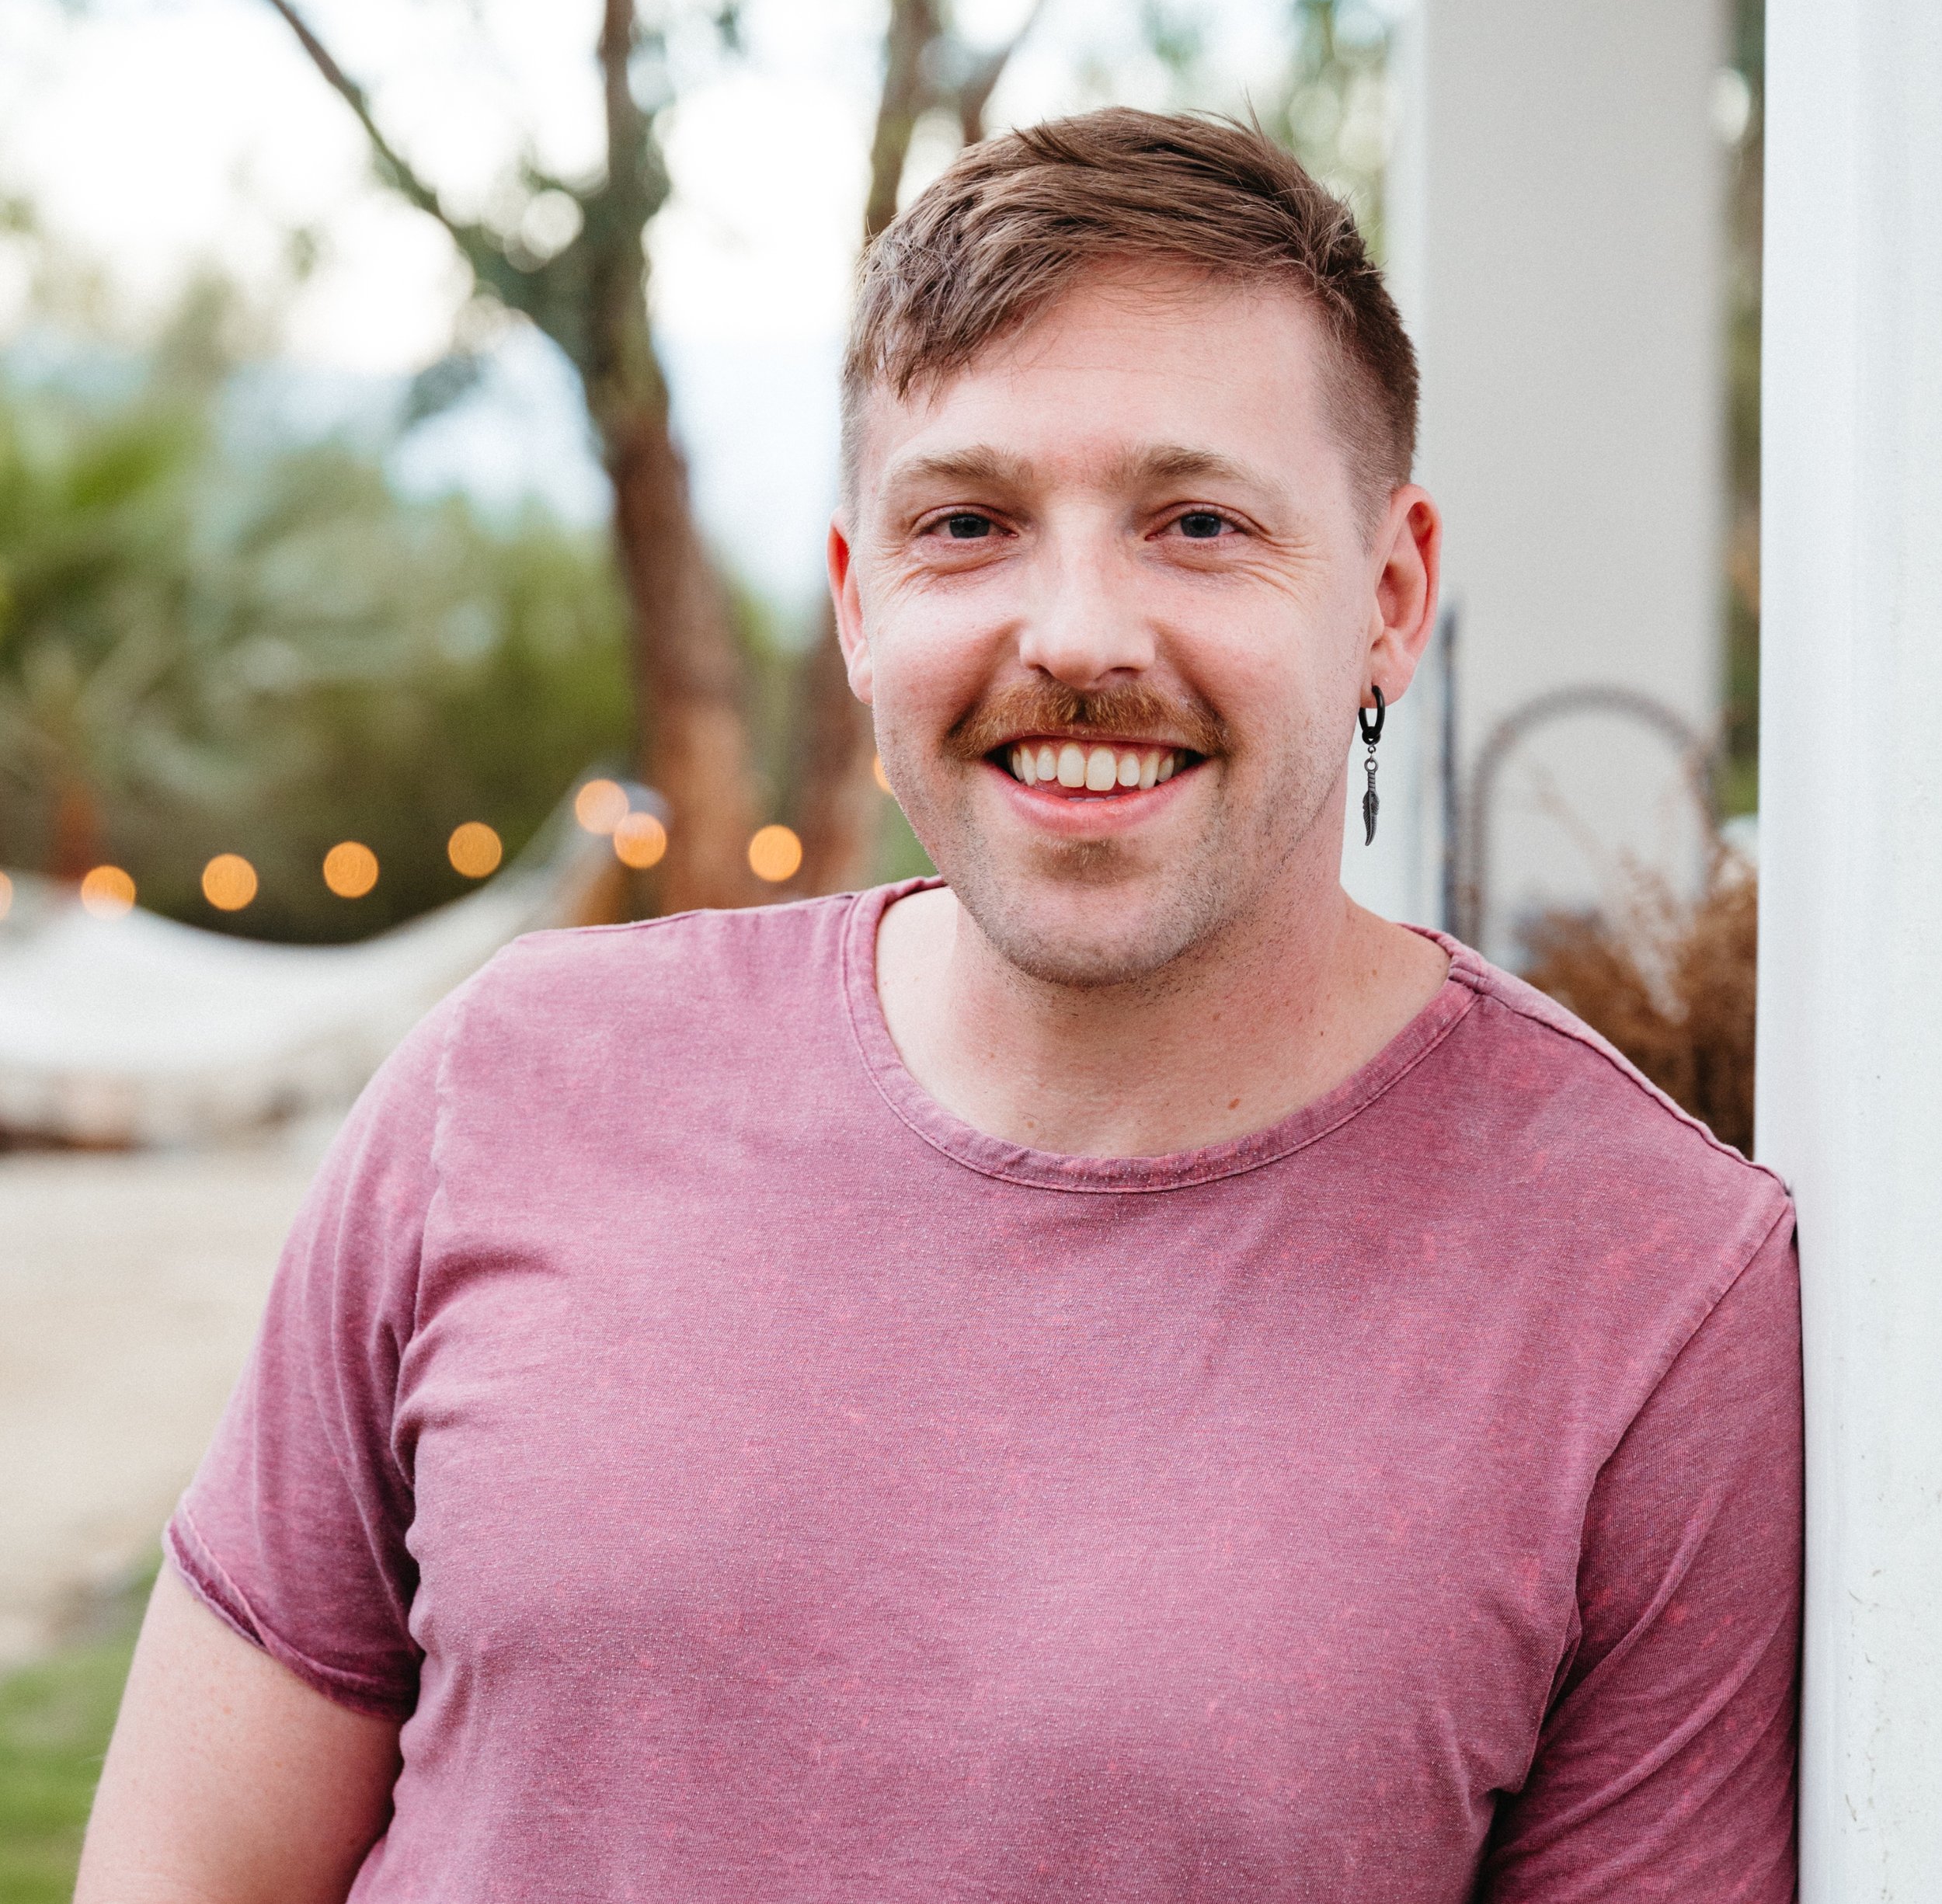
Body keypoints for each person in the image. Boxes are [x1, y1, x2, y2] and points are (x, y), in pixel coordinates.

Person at [78, 110, 1801, 1902]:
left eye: (1197, 523)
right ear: (855, 601)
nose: (1076, 634)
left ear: (1386, 597)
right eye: (966, 523)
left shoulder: (1645, 1289)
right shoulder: (505, 1084)